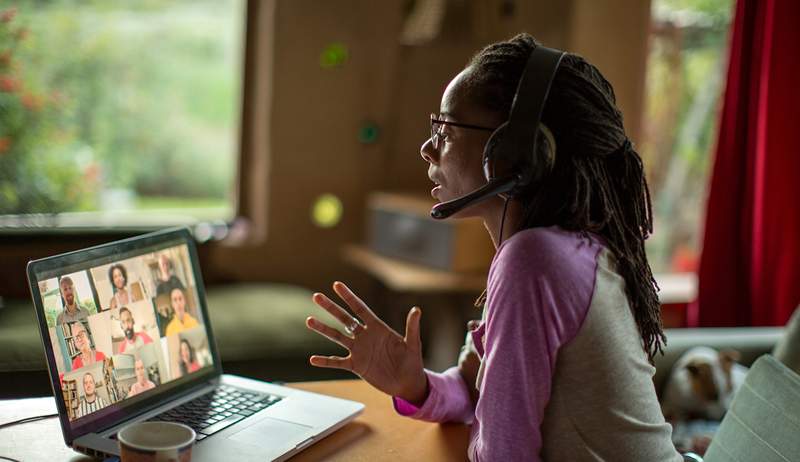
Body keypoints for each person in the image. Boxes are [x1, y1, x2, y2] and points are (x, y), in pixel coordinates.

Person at [306, 34, 682, 460]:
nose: (428, 148)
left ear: (515, 153)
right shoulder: (566, 248)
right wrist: (415, 385)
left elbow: (504, 453)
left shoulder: (536, 260)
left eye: (445, 129)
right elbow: (474, 390)